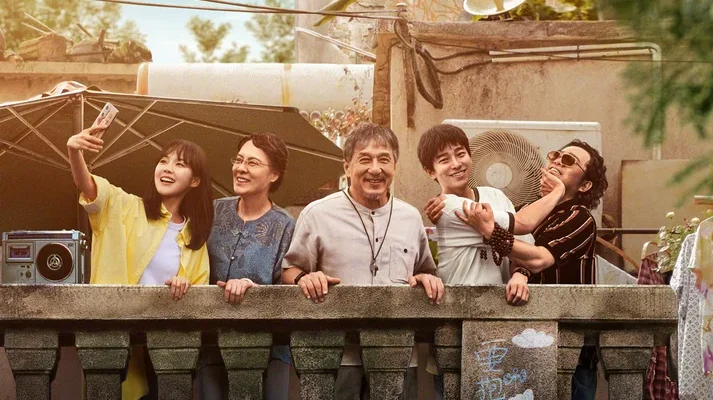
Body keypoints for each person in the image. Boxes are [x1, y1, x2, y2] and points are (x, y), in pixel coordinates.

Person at [425, 139, 608, 400]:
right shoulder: (529, 212)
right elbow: (520, 250)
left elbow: (539, 259)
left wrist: (490, 231)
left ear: (585, 185)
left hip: (570, 349)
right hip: (525, 345)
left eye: (568, 161)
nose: (557, 161)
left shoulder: (579, 218)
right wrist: (520, 273)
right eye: (555, 154)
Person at [281, 123, 444, 399]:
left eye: (384, 159)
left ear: (395, 166)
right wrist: (304, 278)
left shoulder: (410, 216)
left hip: (398, 355)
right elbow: (289, 270)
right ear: (347, 167)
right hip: (337, 356)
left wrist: (426, 279)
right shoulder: (317, 214)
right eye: (365, 159)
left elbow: (425, 272)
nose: (375, 169)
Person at [67, 126, 214, 400]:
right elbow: (88, 186)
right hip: (115, 336)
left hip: (163, 350)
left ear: (195, 181)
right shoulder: (124, 206)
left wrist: (185, 286)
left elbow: (200, 296)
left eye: (180, 164)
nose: (167, 168)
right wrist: (74, 152)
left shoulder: (194, 236)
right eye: (163, 161)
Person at [417, 124, 565, 304]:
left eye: (461, 154)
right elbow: (523, 223)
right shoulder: (447, 208)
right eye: (444, 160)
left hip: (502, 306)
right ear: (430, 171)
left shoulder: (496, 196)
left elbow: (529, 253)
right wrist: (558, 191)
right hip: (460, 306)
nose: (456, 164)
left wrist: (520, 274)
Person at [197, 133, 295, 400]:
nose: (241, 168)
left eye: (252, 163)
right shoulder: (213, 211)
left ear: (273, 174)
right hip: (211, 344)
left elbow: (288, 289)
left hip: (268, 349)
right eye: (239, 160)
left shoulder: (285, 225)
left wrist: (255, 289)